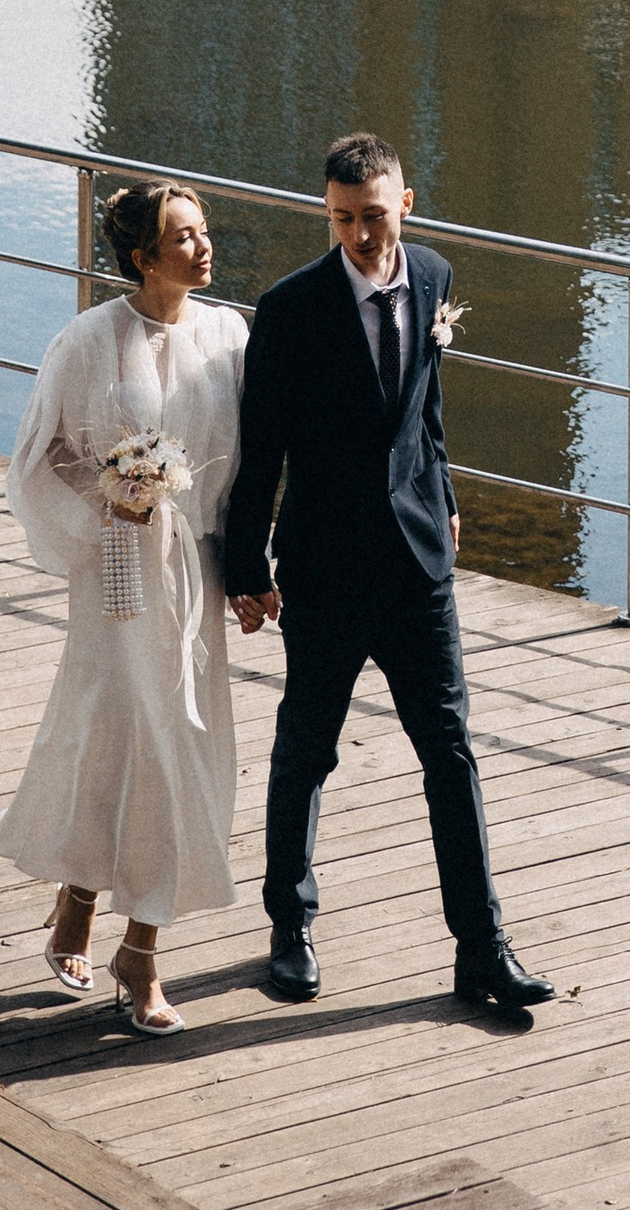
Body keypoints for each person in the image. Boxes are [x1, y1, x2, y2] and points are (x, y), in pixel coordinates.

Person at [223, 130, 554, 1016]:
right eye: (343, 220)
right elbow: (263, 454)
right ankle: (288, 927)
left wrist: (439, 489)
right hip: (326, 570)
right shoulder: (289, 308)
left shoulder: (438, 277)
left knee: (450, 752)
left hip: (418, 569)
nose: (361, 237)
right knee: (307, 749)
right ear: (326, 213)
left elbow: (427, 410)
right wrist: (245, 564)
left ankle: (481, 947)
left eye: (374, 216)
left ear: (406, 202)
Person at [0, 178, 246, 1036]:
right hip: (114, 573)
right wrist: (108, 504)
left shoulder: (230, 334)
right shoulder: (90, 340)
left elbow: (247, 463)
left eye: (204, 231)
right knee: (114, 733)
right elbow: (37, 459)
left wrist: (250, 567)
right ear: (142, 256)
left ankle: (141, 944)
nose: (203, 247)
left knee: (182, 740)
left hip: (193, 576)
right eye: (183, 236)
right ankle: (81, 895)